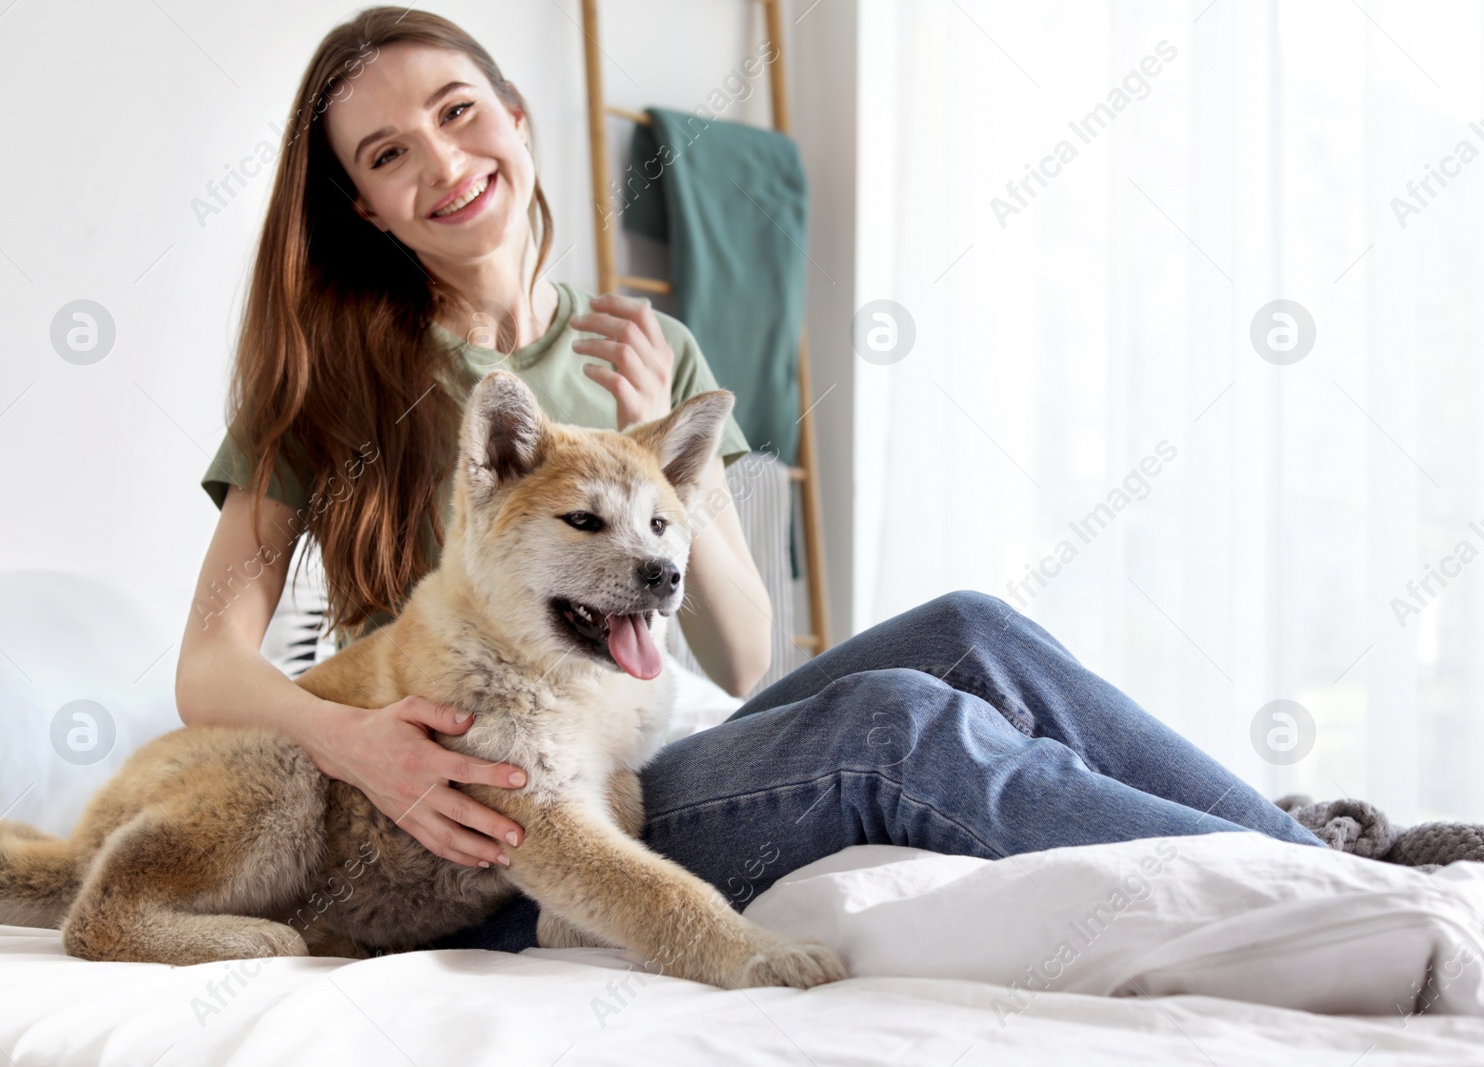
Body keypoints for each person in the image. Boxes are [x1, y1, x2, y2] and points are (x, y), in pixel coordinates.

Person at [173, 7, 1329, 955]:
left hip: (630, 749)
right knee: (895, 725)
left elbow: (739, 651)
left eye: (458, 111)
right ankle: (1304, 909)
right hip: (483, 818)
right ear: (364, 209)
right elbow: (206, 666)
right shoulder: (327, 393)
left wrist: (647, 450)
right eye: (386, 155)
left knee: (972, 627)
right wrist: (358, 742)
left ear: (518, 121)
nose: (441, 161)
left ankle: (1316, 854)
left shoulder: (655, 355)